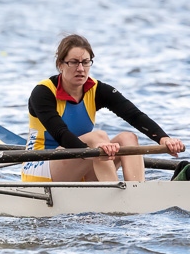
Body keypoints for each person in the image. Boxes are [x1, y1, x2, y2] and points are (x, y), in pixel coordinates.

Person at [22, 33, 185, 182]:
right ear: (60, 65)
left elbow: (134, 115)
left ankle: (136, 190)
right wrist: (95, 149)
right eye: (73, 62)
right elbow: (60, 133)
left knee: (128, 138)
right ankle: (116, 194)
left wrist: (164, 139)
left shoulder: (97, 89)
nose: (80, 69)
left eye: (85, 62)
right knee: (98, 136)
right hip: (40, 167)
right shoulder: (43, 92)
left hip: (82, 159)